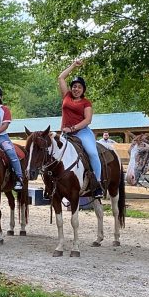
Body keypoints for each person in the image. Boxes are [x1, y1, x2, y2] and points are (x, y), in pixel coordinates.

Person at [58, 59, 103, 198]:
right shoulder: (66, 96)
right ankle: (53, 184)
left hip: (82, 132)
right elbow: (60, 77)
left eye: (79, 87)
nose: (76, 89)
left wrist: (72, 128)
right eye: (74, 86)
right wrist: (73, 66)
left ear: (83, 90)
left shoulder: (86, 102)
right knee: (53, 154)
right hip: (65, 133)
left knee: (93, 153)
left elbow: (88, 120)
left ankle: (97, 184)